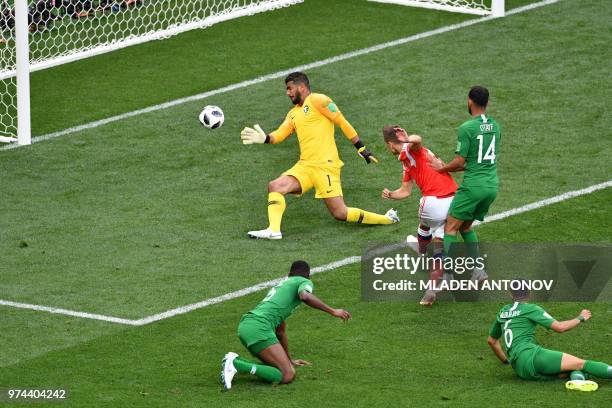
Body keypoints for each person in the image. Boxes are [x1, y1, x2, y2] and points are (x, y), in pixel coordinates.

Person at [240, 71, 399, 240]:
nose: (287, 93)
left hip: (325, 166)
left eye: (290, 88)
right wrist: (265, 138)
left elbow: (341, 121)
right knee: (275, 186)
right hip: (305, 166)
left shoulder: (318, 100)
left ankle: (387, 219)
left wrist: (360, 147)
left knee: (340, 213)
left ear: (302, 87)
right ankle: (273, 230)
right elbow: (280, 134)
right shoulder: (293, 113)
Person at [220, 260, 351, 390]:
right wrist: (333, 311)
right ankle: (236, 364)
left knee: (282, 370)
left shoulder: (283, 287)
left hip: (247, 326)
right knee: (287, 375)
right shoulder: (303, 281)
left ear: (289, 274)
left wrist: (289, 360)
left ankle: (236, 363)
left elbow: (280, 332)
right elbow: (305, 296)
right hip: (259, 327)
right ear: (308, 276)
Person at [380, 125, 457, 305]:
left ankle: (421, 249)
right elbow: (405, 191)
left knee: (424, 217)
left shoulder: (410, 150)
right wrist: (391, 194)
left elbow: (417, 140)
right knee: (439, 245)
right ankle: (432, 290)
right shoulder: (407, 162)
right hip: (454, 201)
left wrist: (407, 141)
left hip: (435, 200)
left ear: (390, 144)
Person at [430, 86, 500, 282]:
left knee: (449, 228)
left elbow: (461, 162)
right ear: (488, 102)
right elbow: (478, 161)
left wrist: (440, 168)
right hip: (491, 186)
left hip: (473, 187)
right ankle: (478, 271)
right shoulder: (496, 126)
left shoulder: (467, 128)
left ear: (470, 101)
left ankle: (448, 275)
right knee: (466, 227)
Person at [487, 284, 611, 391]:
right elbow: (560, 327)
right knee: (582, 364)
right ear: (529, 292)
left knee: (567, 370)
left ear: (510, 293)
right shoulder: (531, 309)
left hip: (520, 369)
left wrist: (505, 360)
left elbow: (492, 341)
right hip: (531, 356)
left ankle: (578, 380)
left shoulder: (502, 312)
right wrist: (581, 318)